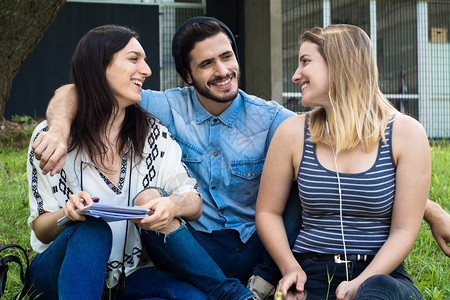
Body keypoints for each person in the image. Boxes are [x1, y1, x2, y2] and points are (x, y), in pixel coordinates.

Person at [32, 17, 449, 299]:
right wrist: (60, 129)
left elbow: (345, 156)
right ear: (188, 76)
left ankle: (264, 284)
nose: (222, 70)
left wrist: (425, 208)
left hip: (255, 248)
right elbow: (78, 91)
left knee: (294, 188)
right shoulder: (159, 108)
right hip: (196, 246)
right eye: (207, 64)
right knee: (153, 197)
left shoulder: (274, 119)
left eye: (227, 56)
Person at [26, 24, 207, 300]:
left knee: (194, 298)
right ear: (97, 67)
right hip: (60, 269)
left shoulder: (153, 135)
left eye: (144, 60)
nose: (146, 70)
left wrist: (172, 206)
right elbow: (41, 227)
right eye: (134, 59)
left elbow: (193, 201)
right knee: (91, 229)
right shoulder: (51, 138)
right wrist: (68, 213)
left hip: (128, 276)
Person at [255, 24, 431, 300]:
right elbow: (268, 212)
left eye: (305, 62)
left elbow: (404, 229)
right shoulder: (291, 133)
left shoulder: (406, 134)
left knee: (375, 292)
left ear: (339, 64)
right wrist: (289, 268)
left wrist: (360, 281)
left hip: (382, 273)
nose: (295, 75)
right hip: (310, 271)